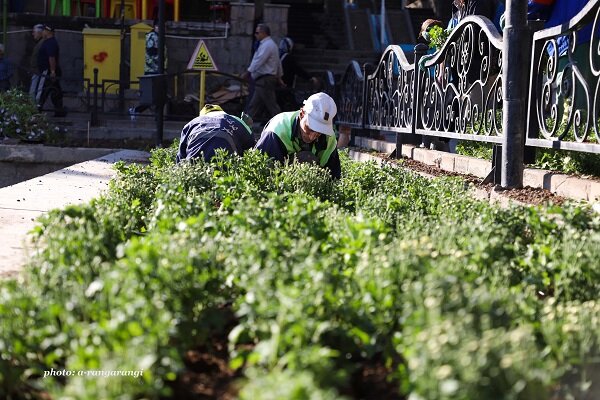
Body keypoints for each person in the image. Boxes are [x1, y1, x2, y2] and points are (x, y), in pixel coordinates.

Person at [254, 92, 341, 179]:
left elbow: (333, 177)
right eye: (310, 128)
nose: (312, 136)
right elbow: (260, 170)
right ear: (302, 114)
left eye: (319, 132)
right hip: (278, 180)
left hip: (308, 183)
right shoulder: (278, 129)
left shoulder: (329, 138)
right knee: (306, 159)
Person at [176, 104, 255, 163]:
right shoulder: (237, 120)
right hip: (227, 165)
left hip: (193, 164)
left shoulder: (191, 124)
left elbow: (180, 157)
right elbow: (252, 146)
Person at [241, 23, 283, 124]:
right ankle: (244, 124)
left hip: (265, 79)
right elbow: (278, 63)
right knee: (255, 104)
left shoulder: (267, 45)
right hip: (264, 79)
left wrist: (247, 73)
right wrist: (279, 77)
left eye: (257, 33)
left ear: (263, 33)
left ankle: (284, 124)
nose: (255, 35)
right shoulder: (269, 45)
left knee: (271, 105)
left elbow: (259, 61)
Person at [130, 20, 165, 118]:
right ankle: (136, 110)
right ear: (155, 27)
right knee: (151, 96)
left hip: (157, 70)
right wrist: (158, 65)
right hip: (152, 70)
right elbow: (152, 53)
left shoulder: (159, 37)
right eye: (159, 26)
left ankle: (156, 116)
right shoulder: (152, 36)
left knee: (159, 96)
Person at [277, 36, 320, 111]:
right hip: (286, 84)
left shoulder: (279, 56)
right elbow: (298, 69)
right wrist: (310, 77)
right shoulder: (288, 58)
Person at [35, 25, 66, 117]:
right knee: (55, 91)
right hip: (49, 70)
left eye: (44, 30)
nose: (42, 32)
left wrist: (52, 71)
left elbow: (51, 57)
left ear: (48, 31)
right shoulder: (48, 42)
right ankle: (59, 110)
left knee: (43, 91)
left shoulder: (50, 43)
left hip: (48, 71)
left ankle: (37, 110)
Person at [28, 24, 45, 100]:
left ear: (39, 32)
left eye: (34, 32)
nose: (33, 34)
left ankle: (33, 105)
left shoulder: (42, 43)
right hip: (36, 70)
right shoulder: (40, 42)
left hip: (38, 70)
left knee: (36, 89)